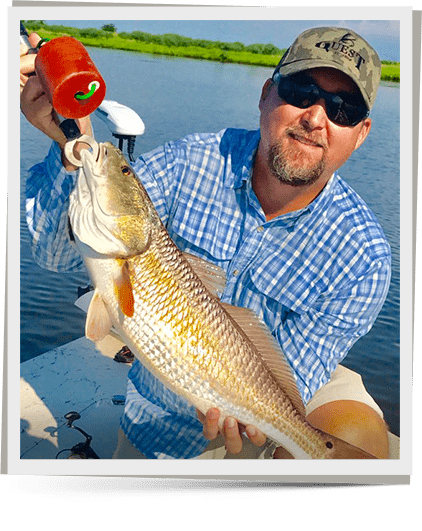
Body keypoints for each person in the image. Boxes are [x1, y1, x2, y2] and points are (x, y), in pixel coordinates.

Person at [20, 26, 391, 459]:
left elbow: (296, 375)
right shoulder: (188, 162)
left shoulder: (365, 256)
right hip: (157, 416)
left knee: (356, 435)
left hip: (266, 389)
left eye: (342, 109)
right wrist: (69, 145)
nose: (315, 117)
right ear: (267, 93)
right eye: (301, 89)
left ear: (361, 132)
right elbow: (53, 254)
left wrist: (259, 416)